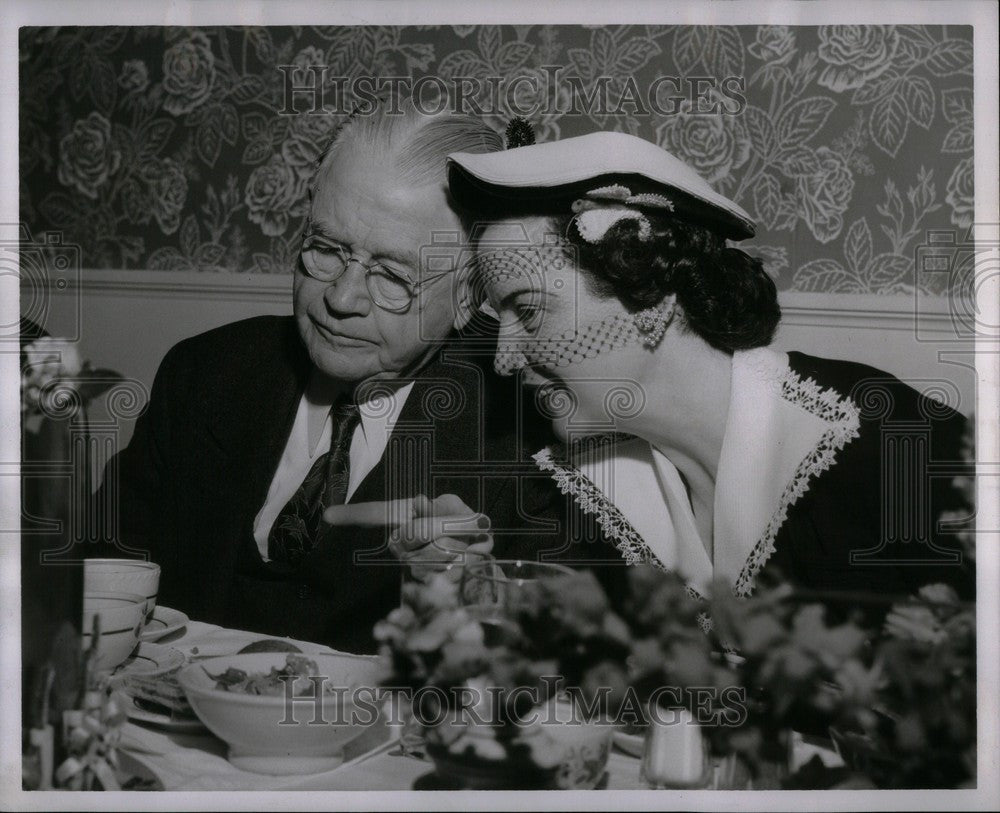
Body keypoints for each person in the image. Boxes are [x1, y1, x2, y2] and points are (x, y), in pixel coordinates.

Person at [90, 106, 624, 653]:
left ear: (470, 295)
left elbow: (579, 660)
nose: (340, 299)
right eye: (325, 249)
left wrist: (476, 600)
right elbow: (103, 566)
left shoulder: (532, 430)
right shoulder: (206, 371)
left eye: (393, 277)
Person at [447, 130, 974, 613]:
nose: (504, 357)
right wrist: (471, 584)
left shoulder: (892, 443)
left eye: (530, 312)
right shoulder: (591, 492)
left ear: (650, 294)